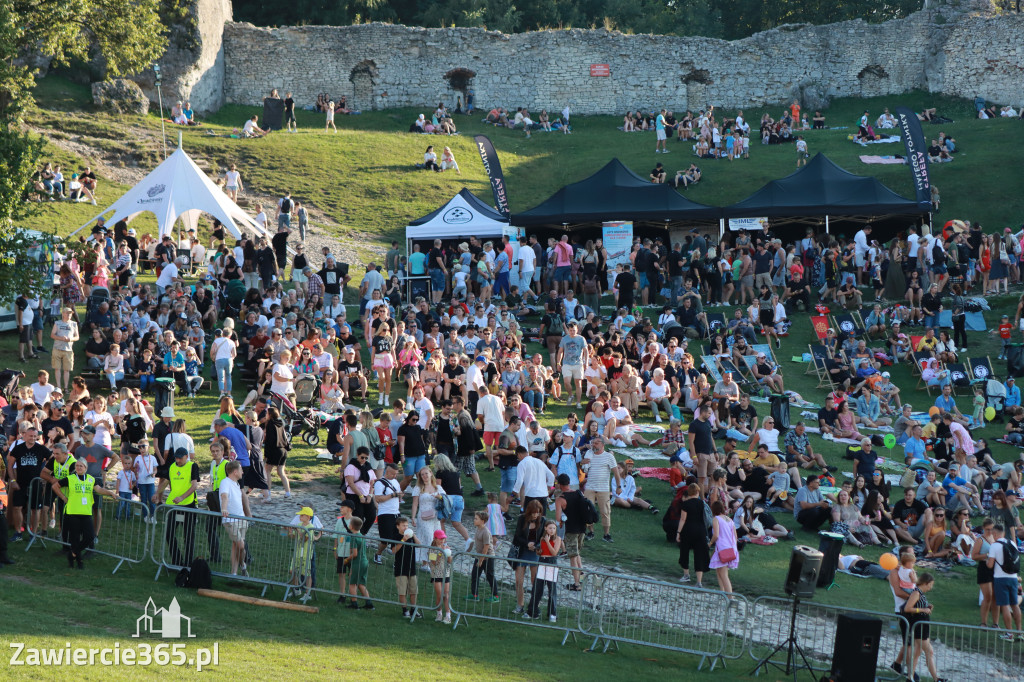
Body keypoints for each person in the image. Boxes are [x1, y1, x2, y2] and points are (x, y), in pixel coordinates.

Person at [51, 457, 117, 568]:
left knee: (90, 537)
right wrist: (63, 498)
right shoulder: (70, 478)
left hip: (86, 513)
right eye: (77, 465)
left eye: (81, 466)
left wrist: (110, 492)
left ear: (86, 468)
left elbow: (99, 490)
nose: (78, 468)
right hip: (72, 512)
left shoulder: (91, 479)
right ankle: (78, 562)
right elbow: (55, 486)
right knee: (75, 538)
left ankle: (72, 554)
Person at [903, 572, 944, 682]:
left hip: (922, 624)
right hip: (919, 625)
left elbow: (917, 606)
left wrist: (927, 607)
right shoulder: (916, 593)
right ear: (926, 583)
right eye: (931, 584)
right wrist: (923, 610)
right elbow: (907, 608)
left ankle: (910, 677)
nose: (931, 587)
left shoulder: (920, 593)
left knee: (917, 652)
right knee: (929, 651)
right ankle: (936, 679)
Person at [581, 436, 622, 542]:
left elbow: (616, 472)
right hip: (590, 487)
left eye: (597, 443)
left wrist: (618, 486)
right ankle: (591, 532)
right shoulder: (589, 454)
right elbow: (583, 469)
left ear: (603, 444)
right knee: (588, 510)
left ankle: (606, 534)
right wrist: (582, 463)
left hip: (603, 488)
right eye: (593, 442)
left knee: (605, 511)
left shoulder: (609, 456)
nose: (594, 444)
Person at [987, 523, 1023, 640]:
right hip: (1013, 578)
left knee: (1005, 605)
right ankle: (1019, 632)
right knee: (1015, 605)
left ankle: (1009, 633)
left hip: (1000, 579)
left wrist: (987, 559)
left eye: (993, 534)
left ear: (996, 533)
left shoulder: (994, 546)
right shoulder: (1012, 543)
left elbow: (990, 565)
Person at [218, 460, 250, 576]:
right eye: (241, 470)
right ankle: (243, 564)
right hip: (230, 520)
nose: (242, 472)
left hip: (241, 518)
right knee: (240, 545)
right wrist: (224, 509)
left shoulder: (236, 484)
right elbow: (224, 496)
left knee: (236, 546)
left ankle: (234, 572)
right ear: (235, 472)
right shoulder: (225, 482)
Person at [675, 482, 710, 587]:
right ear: (698, 492)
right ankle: (699, 581)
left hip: (688, 530)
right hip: (700, 530)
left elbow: (682, 519)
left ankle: (686, 575)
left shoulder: (685, 504)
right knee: (699, 555)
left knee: (684, 552)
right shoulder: (702, 503)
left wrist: (678, 533)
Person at [343, 517, 373, 610]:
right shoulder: (361, 535)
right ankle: (369, 604)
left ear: (351, 526)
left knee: (352, 583)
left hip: (357, 563)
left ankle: (354, 603)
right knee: (361, 584)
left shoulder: (353, 537)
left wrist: (346, 560)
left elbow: (354, 554)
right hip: (364, 562)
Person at [708, 499, 738, 593]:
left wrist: (709, 543)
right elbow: (735, 536)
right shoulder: (730, 520)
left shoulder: (716, 519)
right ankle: (722, 592)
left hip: (722, 548)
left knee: (724, 574)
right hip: (731, 548)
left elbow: (716, 535)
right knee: (719, 571)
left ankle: (730, 596)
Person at [429, 528, 452, 623]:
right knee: (439, 595)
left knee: (446, 595)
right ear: (435, 538)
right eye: (440, 538)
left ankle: (448, 615)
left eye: (443, 538)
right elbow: (434, 562)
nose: (442, 540)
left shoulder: (446, 547)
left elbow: (450, 561)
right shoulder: (432, 549)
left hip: (445, 574)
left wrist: (449, 554)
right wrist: (440, 552)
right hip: (436, 575)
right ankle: (439, 614)